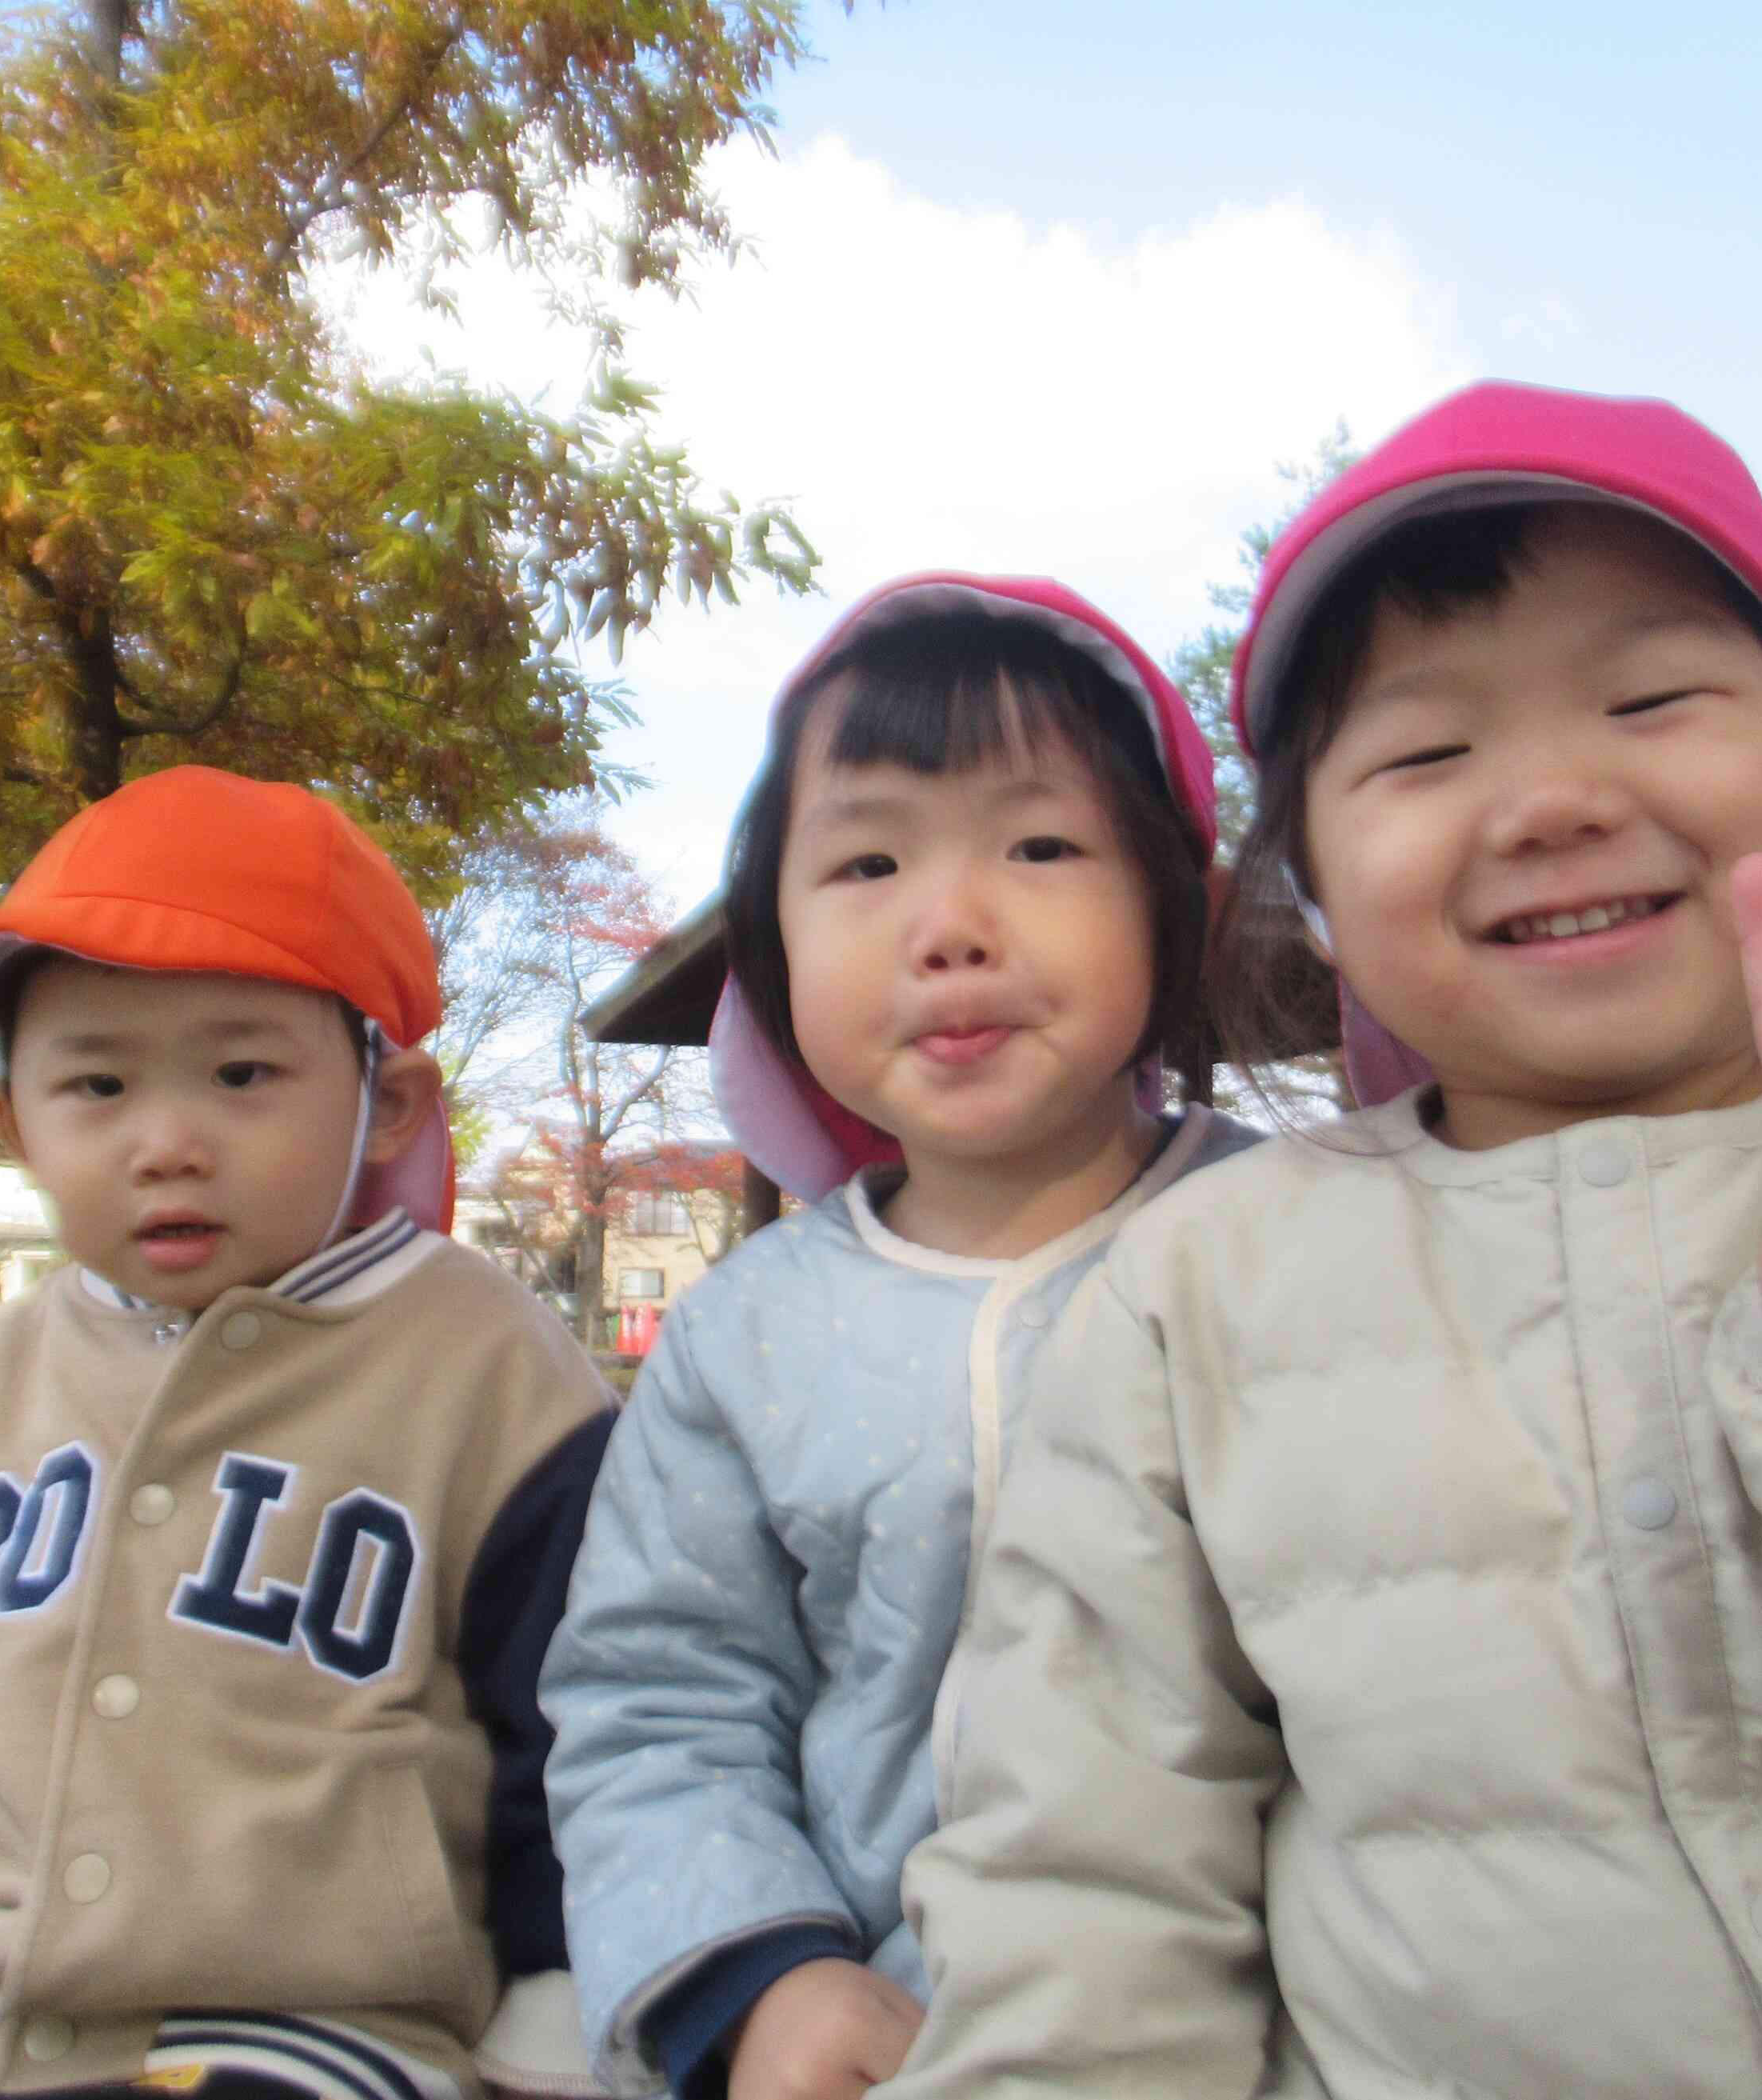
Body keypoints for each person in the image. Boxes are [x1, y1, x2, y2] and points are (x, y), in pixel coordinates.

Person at [879, 383, 1762, 2099]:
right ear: (1317, 892)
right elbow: (1079, 1880)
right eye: (1426, 753)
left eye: (1651, 698)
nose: (1554, 797)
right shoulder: (1191, 1288)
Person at [0, 766, 617, 2100]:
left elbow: (571, 1722)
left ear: (385, 1102)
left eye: (240, 1071)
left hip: (303, 2025)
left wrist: (564, 2016)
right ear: (15, 1124)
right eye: (95, 1084)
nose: (167, 1140)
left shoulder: (489, 1373)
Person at [539, 575, 1259, 2100]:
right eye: (866, 860)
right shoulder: (749, 1334)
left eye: (1043, 845)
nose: (949, 928)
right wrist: (766, 1974)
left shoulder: (1304, 1248)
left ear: (1167, 901)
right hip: (885, 2041)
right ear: (776, 945)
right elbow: (660, 1694)